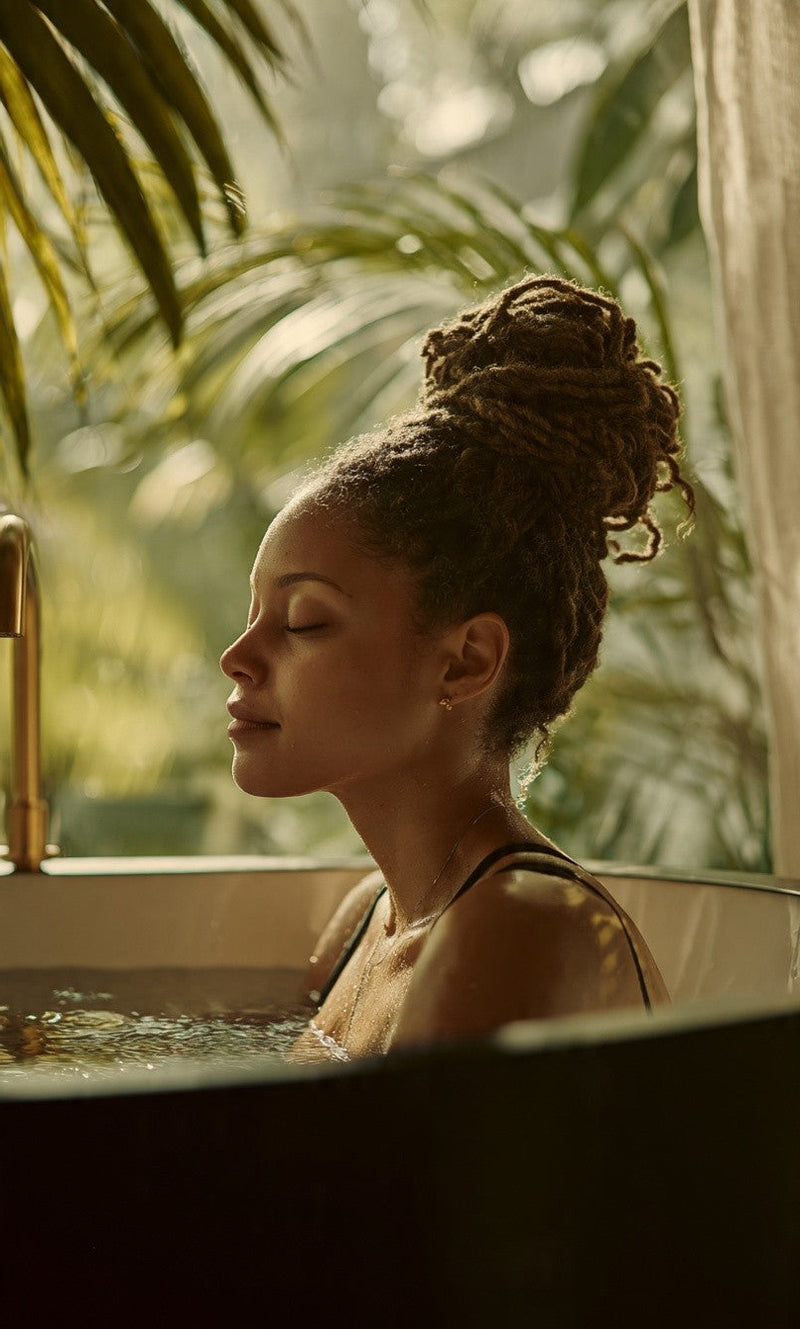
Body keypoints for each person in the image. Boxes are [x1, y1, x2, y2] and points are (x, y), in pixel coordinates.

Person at [220, 274, 695, 1063]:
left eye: (304, 620)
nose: (238, 656)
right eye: (254, 613)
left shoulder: (521, 927)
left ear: (466, 661)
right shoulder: (367, 923)